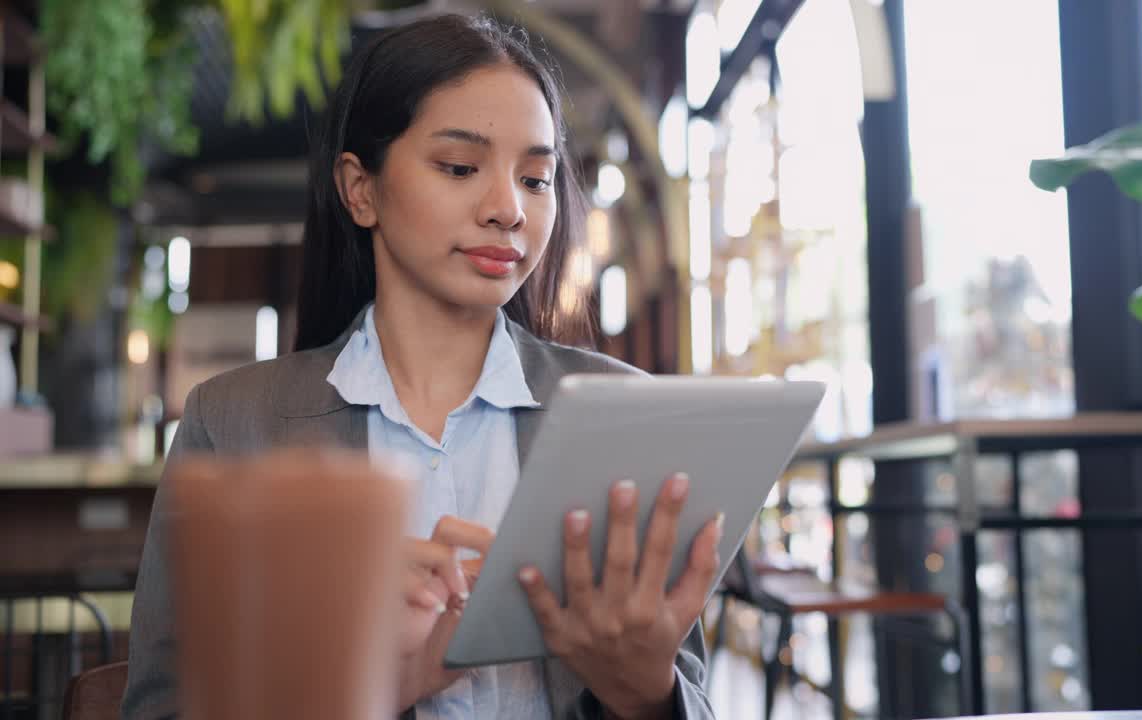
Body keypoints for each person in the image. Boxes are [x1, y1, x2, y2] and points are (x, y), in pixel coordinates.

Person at [122, 12, 721, 720]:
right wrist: (371, 687)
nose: (508, 209)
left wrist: (648, 695)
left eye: (536, 178)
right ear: (360, 189)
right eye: (461, 167)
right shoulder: (232, 422)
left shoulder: (623, 412)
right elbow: (160, 708)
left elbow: (691, 698)